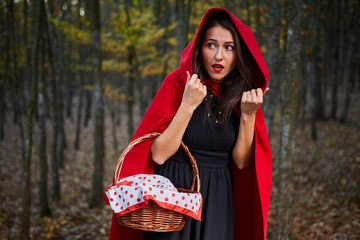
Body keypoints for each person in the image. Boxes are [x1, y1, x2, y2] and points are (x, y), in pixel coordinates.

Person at [105, 7, 272, 240]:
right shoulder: (177, 83)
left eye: (229, 47)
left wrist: (248, 115)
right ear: (199, 48)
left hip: (218, 197)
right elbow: (160, 154)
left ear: (238, 54)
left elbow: (241, 162)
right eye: (211, 45)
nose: (218, 56)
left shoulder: (241, 96)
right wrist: (188, 105)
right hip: (174, 196)